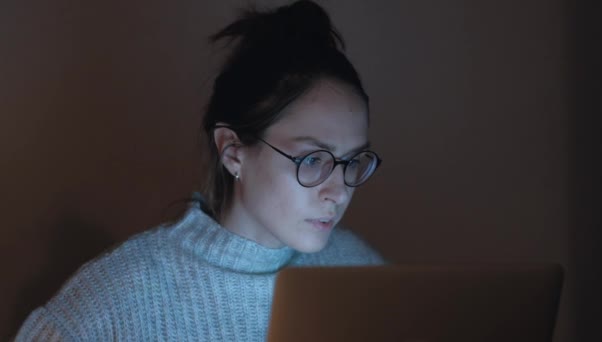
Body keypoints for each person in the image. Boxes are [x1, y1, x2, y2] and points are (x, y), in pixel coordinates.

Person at [15, 0, 384, 340]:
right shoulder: (117, 297)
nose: (339, 192)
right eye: (313, 159)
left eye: (352, 161)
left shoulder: (359, 268)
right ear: (233, 151)